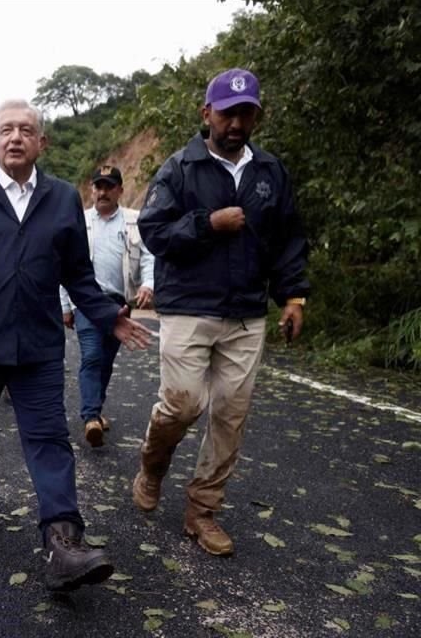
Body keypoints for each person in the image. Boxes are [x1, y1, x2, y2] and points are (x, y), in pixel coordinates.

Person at [0, 99, 152, 592]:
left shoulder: (62, 199)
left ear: (42, 142)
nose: (15, 137)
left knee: (49, 439)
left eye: (26, 130)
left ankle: (64, 542)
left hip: (38, 342)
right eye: (6, 130)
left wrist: (109, 318)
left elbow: (78, 275)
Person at [133, 68, 309, 556]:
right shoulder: (179, 168)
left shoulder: (270, 172)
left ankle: (202, 511)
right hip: (190, 307)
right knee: (183, 404)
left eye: (246, 113)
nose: (236, 122)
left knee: (231, 414)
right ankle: (152, 463)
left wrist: (293, 297)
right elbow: (154, 231)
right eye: (228, 113)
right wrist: (208, 224)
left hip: (247, 313)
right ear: (206, 113)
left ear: (256, 115)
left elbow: (289, 239)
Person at [60, 165, 155, 447]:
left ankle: (96, 410)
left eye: (109, 187)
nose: (102, 192)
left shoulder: (133, 222)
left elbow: (149, 256)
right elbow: (65, 266)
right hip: (86, 301)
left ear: (120, 191)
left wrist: (148, 284)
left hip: (119, 303)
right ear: (92, 190)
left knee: (106, 360)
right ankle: (90, 417)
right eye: (98, 187)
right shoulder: (79, 222)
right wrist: (64, 304)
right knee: (91, 355)